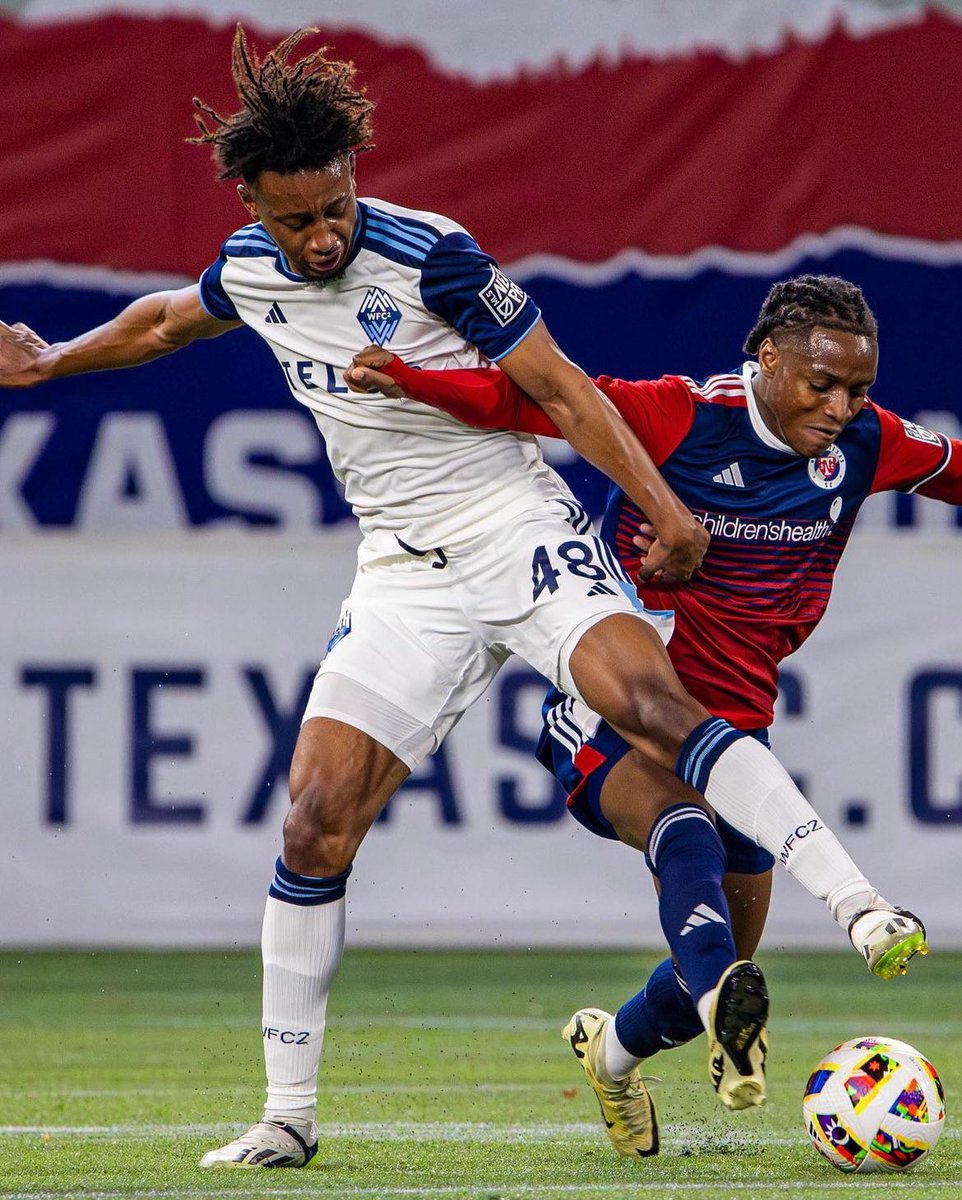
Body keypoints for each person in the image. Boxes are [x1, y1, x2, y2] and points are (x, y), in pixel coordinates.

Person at [0, 21, 918, 1166]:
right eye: (299, 218)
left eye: (337, 204)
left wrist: (665, 511)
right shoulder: (246, 272)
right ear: (252, 209)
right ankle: (287, 1115)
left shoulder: (431, 255)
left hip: (511, 525)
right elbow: (163, 321)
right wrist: (48, 363)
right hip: (399, 571)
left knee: (652, 707)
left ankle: (860, 909)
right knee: (314, 818)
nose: (327, 232)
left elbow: (566, 392)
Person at [344, 273, 945, 1155]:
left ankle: (614, 1056)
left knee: (719, 957)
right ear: (767, 359)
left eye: (859, 388)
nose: (843, 404)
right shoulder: (681, 418)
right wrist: (413, 377)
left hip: (736, 737)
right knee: (680, 829)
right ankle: (756, 986)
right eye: (824, 384)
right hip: (611, 706)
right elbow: (541, 400)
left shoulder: (866, 443)